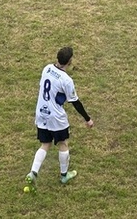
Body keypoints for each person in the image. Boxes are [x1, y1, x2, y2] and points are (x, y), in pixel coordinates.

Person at [25, 46, 94, 193]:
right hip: (56, 117)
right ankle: (64, 175)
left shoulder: (47, 68)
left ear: (57, 58)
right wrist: (87, 119)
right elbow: (75, 102)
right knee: (63, 143)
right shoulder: (66, 80)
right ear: (69, 61)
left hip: (41, 113)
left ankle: (33, 172)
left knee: (45, 144)